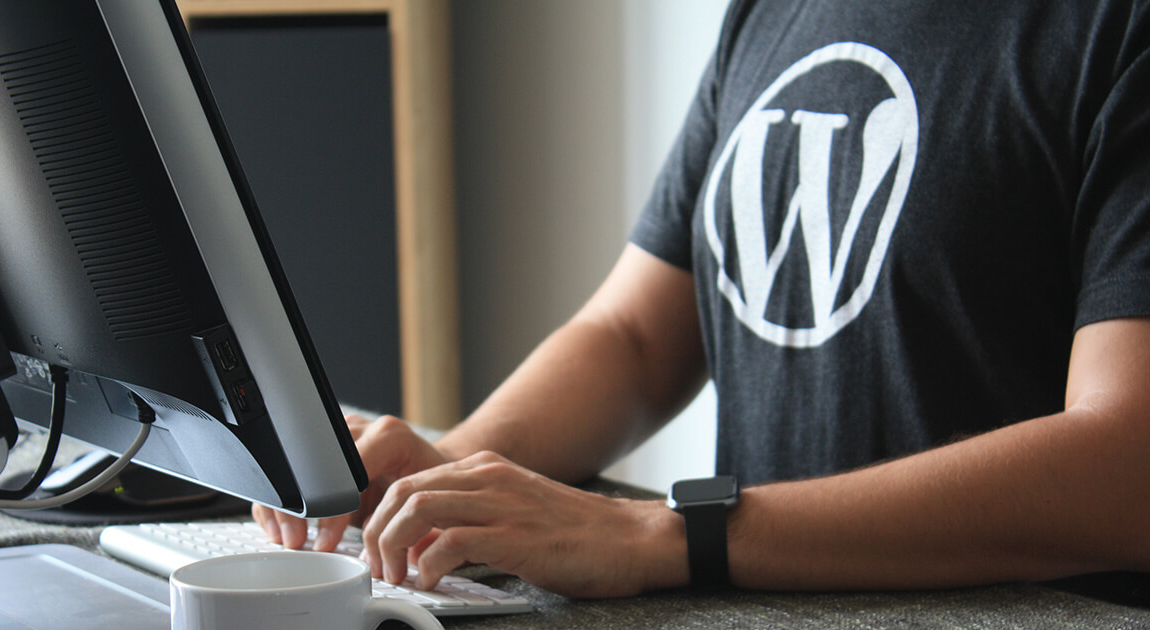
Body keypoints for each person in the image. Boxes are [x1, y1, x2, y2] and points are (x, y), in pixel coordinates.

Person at [256, 0, 1150, 598]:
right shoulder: (769, 11)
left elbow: (1128, 466)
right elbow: (636, 335)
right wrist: (452, 472)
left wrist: (668, 536)